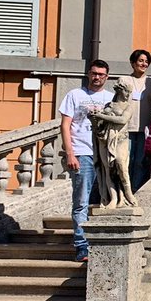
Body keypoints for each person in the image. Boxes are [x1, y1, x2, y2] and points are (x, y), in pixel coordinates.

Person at [58, 60, 114, 262]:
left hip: (105, 153)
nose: (97, 77)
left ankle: (104, 242)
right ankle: (82, 246)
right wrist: (70, 153)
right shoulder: (74, 95)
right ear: (88, 74)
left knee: (109, 200)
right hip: (82, 152)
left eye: (101, 74)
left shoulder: (111, 98)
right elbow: (65, 126)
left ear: (107, 77)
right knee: (81, 202)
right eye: (94, 73)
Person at [116, 49, 151, 192]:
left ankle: (136, 190)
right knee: (125, 161)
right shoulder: (124, 80)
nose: (143, 64)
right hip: (126, 128)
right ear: (133, 63)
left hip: (145, 128)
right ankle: (123, 191)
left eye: (146, 61)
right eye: (140, 61)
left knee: (140, 162)